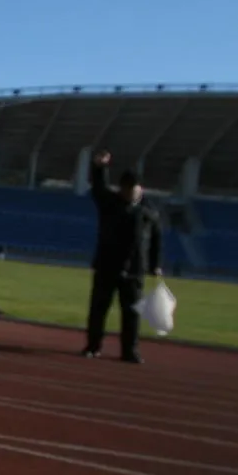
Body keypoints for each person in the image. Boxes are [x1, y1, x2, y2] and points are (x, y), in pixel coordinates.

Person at [83, 149, 163, 363]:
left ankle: (130, 351)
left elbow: (156, 239)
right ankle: (93, 346)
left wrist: (155, 264)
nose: (129, 194)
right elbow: (98, 188)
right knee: (98, 309)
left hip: (135, 270)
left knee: (131, 314)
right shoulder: (109, 203)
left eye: (133, 191)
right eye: (126, 190)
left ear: (141, 190)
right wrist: (99, 168)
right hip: (107, 266)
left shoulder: (149, 212)